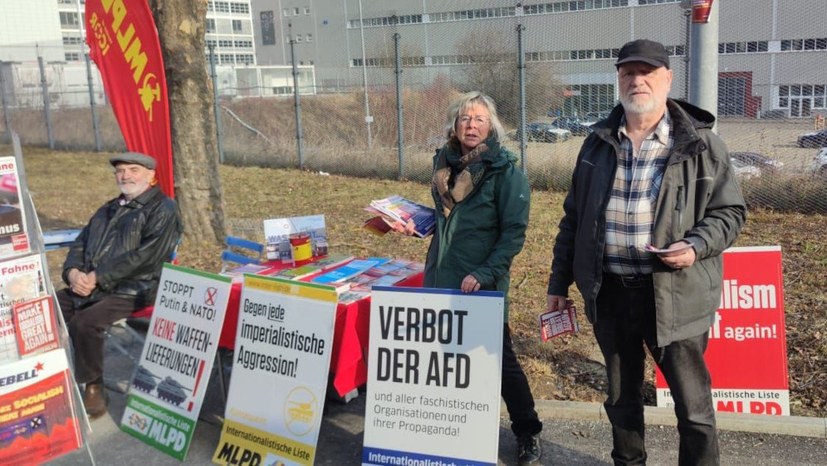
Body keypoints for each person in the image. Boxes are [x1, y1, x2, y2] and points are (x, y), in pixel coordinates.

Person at [546, 39, 747, 465]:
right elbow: (573, 220)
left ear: (667, 79)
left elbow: (729, 213)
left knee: (693, 409)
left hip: (675, 295)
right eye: (627, 73)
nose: (636, 81)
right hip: (611, 294)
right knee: (621, 401)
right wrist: (558, 283)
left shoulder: (702, 145)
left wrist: (695, 246)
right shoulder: (597, 144)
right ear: (618, 79)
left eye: (647, 72)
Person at [396, 91, 543, 465]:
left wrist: (485, 273)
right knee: (445, 361)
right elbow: (446, 221)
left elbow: (513, 234)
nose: (471, 126)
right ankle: (451, 429)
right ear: (454, 125)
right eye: (464, 119)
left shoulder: (505, 173)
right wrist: (415, 223)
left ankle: (527, 431)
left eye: (478, 119)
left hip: (480, 285)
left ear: (491, 125)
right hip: (441, 278)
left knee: (500, 361)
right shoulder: (444, 164)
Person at [58, 152, 182, 419]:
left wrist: (98, 277)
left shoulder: (164, 209)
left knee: (85, 322)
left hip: (137, 289)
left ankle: (93, 384)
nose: (125, 175)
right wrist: (73, 273)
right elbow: (80, 243)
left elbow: (146, 257)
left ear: (151, 175)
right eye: (120, 171)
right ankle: (48, 381)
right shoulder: (108, 208)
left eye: (133, 170)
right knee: (48, 310)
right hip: (95, 284)